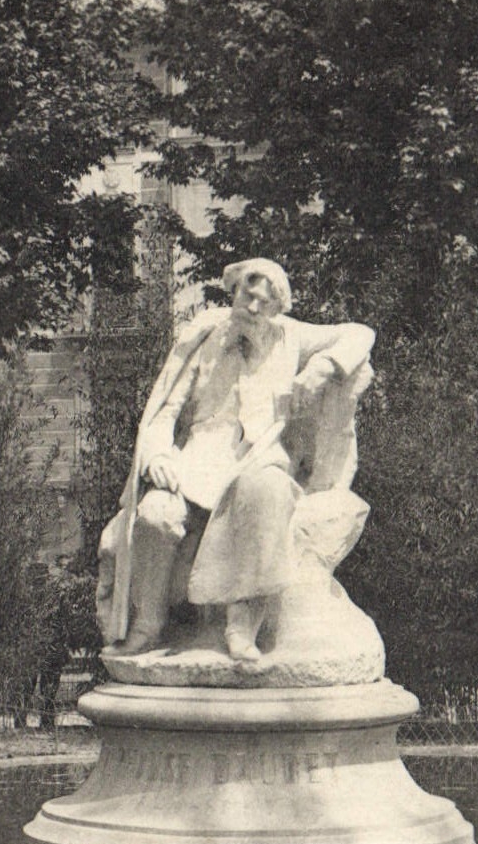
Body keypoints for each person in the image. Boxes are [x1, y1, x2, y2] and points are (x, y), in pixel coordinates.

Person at [99, 259, 374, 662]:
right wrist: (158, 455)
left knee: (266, 493)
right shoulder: (204, 338)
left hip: (260, 456)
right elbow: (164, 411)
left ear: (278, 308)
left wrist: (322, 367)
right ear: (235, 291)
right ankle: (149, 622)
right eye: (248, 294)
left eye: (265, 302)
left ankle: (242, 626)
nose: (254, 306)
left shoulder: (291, 336)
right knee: (156, 515)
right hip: (196, 462)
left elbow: (361, 333)